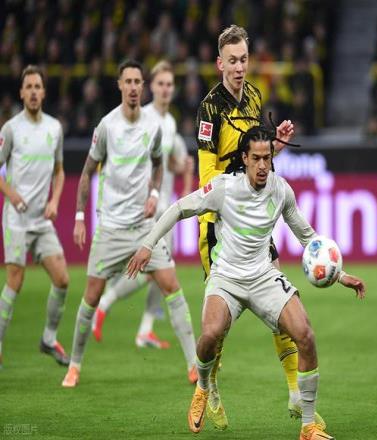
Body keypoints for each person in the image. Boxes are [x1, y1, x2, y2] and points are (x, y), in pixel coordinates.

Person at [127, 126, 366, 440]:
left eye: (267, 157)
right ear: (245, 158)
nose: (263, 165)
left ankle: (308, 426)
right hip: (226, 278)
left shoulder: (281, 190)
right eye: (256, 158)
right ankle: (203, 387)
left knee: (305, 335)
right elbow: (179, 208)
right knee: (210, 335)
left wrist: (340, 275)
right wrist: (147, 244)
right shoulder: (224, 188)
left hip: (264, 276)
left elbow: (308, 238)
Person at [195, 24, 305, 429]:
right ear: (219, 63)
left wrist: (274, 146)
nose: (239, 67)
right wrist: (234, 192)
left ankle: (295, 392)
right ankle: (209, 387)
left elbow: (256, 158)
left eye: (244, 59)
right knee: (218, 328)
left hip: (253, 222)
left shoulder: (255, 96)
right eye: (233, 61)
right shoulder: (210, 109)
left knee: (279, 298)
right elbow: (207, 175)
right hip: (219, 226)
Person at [61, 60, 197, 388]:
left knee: (171, 285)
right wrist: (79, 217)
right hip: (110, 228)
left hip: (145, 226)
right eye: (129, 81)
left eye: (138, 81)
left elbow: (159, 164)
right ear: (120, 85)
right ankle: (74, 365)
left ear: (141, 86)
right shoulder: (107, 126)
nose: (134, 87)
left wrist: (154, 193)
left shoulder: (155, 127)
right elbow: (87, 172)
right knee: (91, 296)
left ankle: (194, 366)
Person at [0, 65, 70, 368]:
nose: (32, 92)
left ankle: (48, 339)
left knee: (62, 279)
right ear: (21, 93)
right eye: (28, 86)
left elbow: (59, 171)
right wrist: (12, 194)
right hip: (16, 220)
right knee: (15, 281)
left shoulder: (54, 128)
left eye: (37, 86)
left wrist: (55, 200)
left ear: (43, 92)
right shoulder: (11, 129)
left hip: (42, 220)